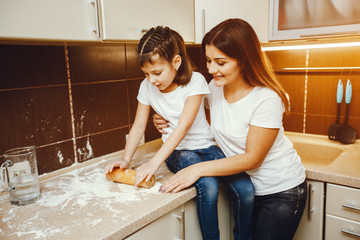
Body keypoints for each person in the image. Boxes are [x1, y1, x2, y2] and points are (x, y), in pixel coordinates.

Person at [157, 19, 307, 240]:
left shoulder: (266, 99)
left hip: (281, 192)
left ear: (244, 60)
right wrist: (161, 117)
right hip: (249, 188)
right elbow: (187, 111)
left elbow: (252, 159)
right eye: (208, 61)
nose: (211, 69)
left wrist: (196, 169)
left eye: (220, 62)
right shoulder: (215, 89)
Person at [104, 26, 255, 240]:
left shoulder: (196, 82)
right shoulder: (147, 88)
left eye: (157, 72)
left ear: (176, 62)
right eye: (146, 73)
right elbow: (138, 125)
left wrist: (153, 163)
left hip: (208, 148)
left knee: (246, 190)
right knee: (209, 187)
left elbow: (184, 126)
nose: (151, 80)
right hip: (179, 152)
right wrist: (126, 160)